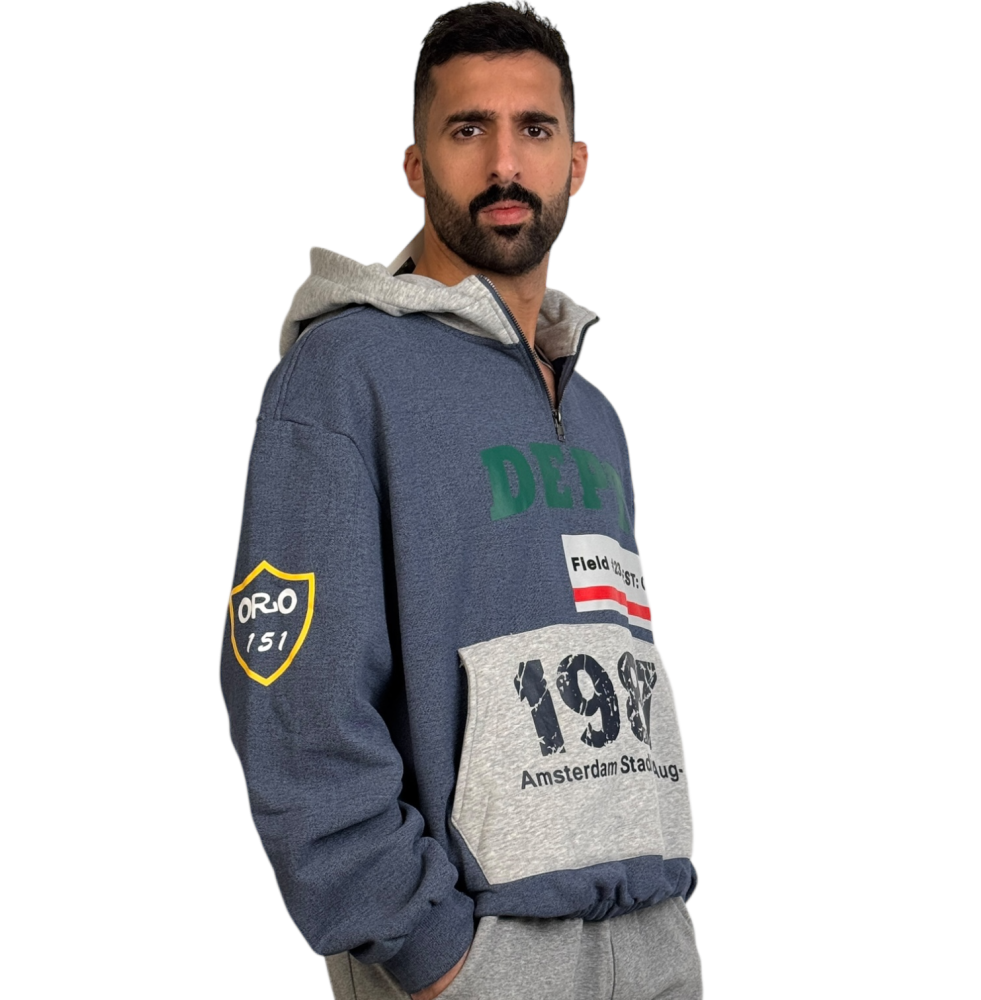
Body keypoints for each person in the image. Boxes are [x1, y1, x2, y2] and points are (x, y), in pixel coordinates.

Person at [219, 3, 703, 998]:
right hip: (480, 955)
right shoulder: (345, 374)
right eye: (467, 128)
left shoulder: (593, 412)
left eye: (536, 129)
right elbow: (295, 702)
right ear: (417, 166)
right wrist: (430, 949)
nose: (504, 163)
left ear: (576, 164)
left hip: (651, 936)